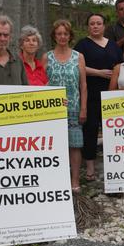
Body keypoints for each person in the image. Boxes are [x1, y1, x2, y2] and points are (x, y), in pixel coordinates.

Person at [74, 13, 123, 182]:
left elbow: (120, 66)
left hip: (111, 94)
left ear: (104, 26)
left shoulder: (114, 46)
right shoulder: (82, 45)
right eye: (92, 23)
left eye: (98, 23)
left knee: (113, 130)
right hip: (90, 93)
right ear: (88, 26)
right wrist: (98, 73)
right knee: (90, 130)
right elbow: (77, 66)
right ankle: (90, 168)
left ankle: (115, 167)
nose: (95, 26)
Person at [42, 20, 88, 193]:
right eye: (59, 34)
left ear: (70, 36)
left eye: (65, 34)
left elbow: (83, 84)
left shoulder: (78, 56)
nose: (62, 37)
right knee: (53, 144)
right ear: (54, 36)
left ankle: (75, 181)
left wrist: (83, 107)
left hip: (74, 106)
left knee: (75, 145)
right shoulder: (47, 56)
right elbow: (41, 82)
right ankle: (56, 180)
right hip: (51, 109)